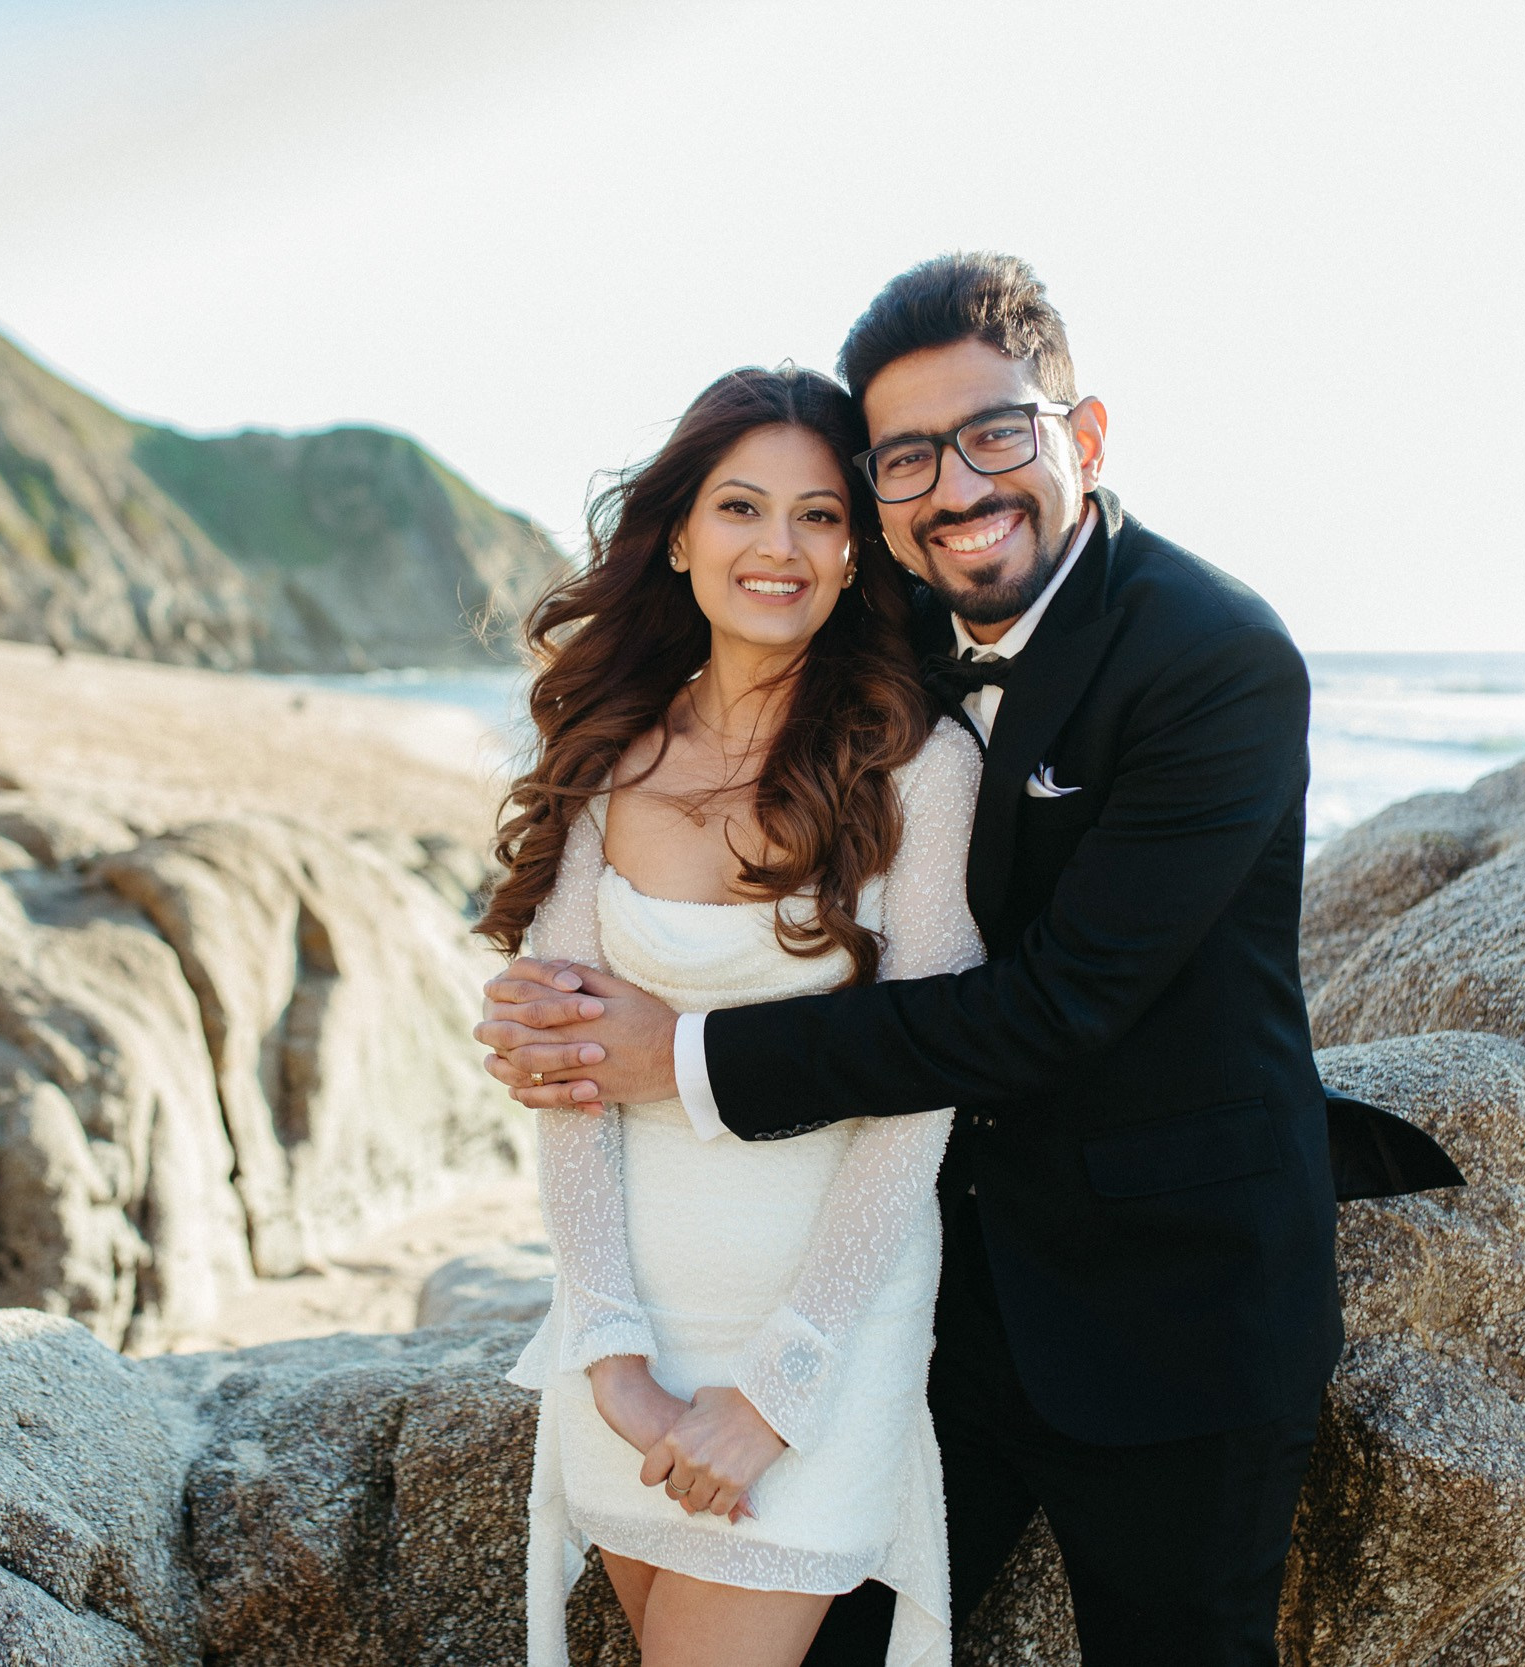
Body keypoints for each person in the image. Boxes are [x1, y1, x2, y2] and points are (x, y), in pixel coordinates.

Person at [479, 253, 1344, 1667]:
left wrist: (681, 1052)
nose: (958, 487)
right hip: (937, 1303)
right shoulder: (890, 641)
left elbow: (1055, 1006)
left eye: (999, 433)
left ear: (1088, 433)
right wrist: (559, 1018)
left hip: (1170, 1298)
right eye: (908, 459)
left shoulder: (1215, 657)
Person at [479, 363, 986, 1667]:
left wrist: (783, 1384)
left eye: (819, 516)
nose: (780, 547)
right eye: (742, 508)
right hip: (633, 1331)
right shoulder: (609, 755)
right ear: (683, 536)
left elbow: (916, 1093)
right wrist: (609, 1353)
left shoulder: (918, 765)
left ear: (856, 552)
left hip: (824, 1333)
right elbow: (566, 1081)